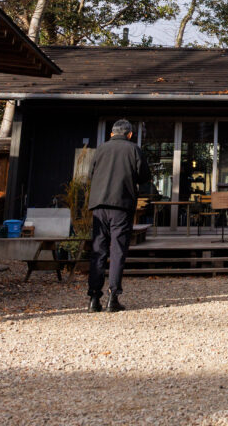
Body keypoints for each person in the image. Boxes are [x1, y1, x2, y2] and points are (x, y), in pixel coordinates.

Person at [87, 119, 151, 312]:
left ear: (111, 133)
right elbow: (144, 176)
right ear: (130, 134)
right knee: (117, 251)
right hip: (121, 205)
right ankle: (113, 297)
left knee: (98, 250)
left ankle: (93, 298)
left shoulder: (100, 149)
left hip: (99, 204)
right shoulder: (133, 150)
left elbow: (91, 174)